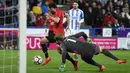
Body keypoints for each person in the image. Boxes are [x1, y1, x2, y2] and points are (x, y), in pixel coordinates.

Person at [54, 32, 127, 72]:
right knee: (102, 50)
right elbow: (82, 33)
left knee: (85, 58)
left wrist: (63, 64)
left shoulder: (63, 44)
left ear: (58, 40)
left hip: (84, 53)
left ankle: (100, 66)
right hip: (89, 46)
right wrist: (86, 38)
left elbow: (63, 53)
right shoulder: (70, 37)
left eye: (57, 41)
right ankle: (117, 59)